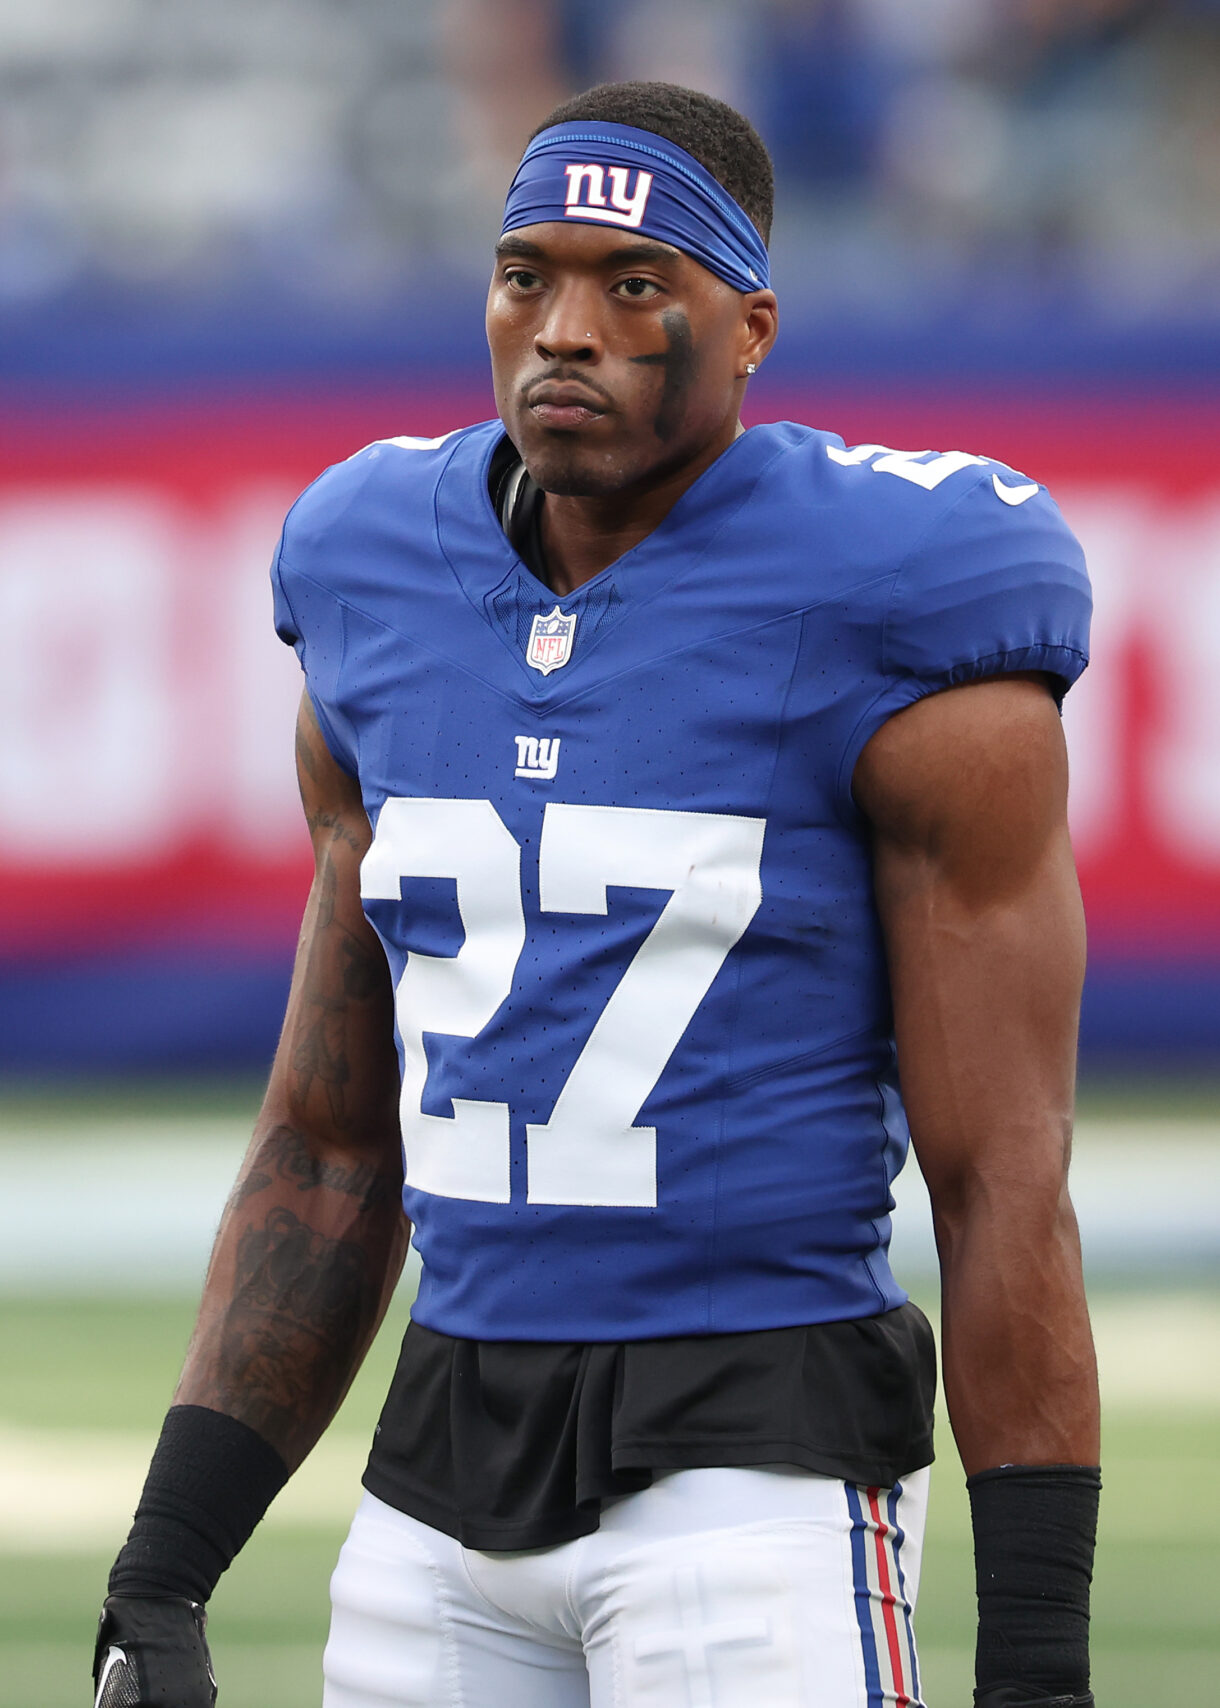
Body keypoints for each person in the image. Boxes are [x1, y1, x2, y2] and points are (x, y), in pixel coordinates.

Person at [93, 80, 1100, 1708]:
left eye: (636, 288)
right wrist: (170, 1552)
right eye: (526, 276)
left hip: (757, 1472)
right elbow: (335, 1140)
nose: (564, 329)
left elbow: (1002, 1178)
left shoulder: (900, 588)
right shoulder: (373, 563)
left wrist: (1041, 1641)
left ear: (749, 324)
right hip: (434, 1490)